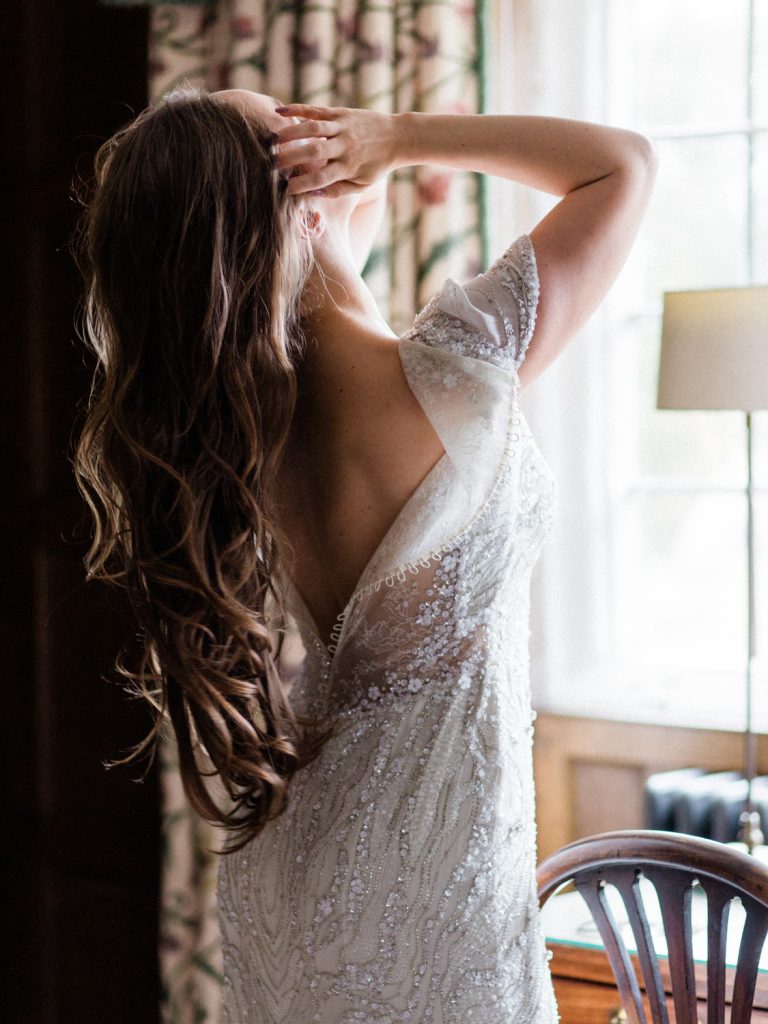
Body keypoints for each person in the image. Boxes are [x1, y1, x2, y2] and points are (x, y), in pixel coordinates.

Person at [74, 86, 656, 1022]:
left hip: (302, 867)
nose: (336, 126)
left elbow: (329, 264)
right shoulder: (459, 366)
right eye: (302, 127)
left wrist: (362, 163)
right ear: (305, 207)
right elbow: (621, 163)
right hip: (437, 884)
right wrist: (404, 136)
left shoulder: (232, 438)